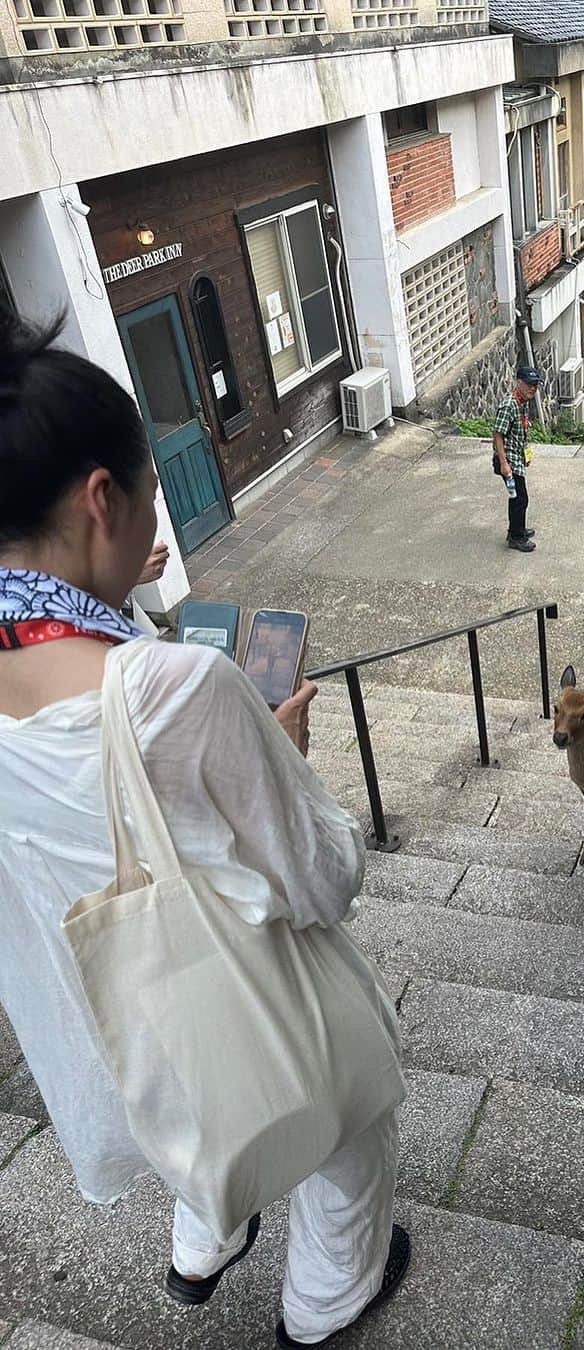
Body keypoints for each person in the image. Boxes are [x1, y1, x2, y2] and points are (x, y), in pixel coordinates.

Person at [0, 315, 408, 1349]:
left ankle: (202, 1239)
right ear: (103, 498)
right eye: (146, 494)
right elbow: (321, 879)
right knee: (346, 1104)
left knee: (192, 1081)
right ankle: (325, 1303)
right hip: (238, 996)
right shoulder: (179, 690)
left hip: (102, 1022)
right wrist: (277, 761)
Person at [493, 366, 541, 553]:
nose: (532, 389)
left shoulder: (522, 404)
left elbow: (520, 432)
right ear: (518, 383)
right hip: (508, 460)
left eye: (535, 386)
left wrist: (525, 454)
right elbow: (498, 434)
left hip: (516, 459)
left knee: (518, 498)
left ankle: (517, 530)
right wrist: (504, 464)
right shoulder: (509, 406)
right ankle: (516, 537)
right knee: (520, 498)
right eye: (529, 385)